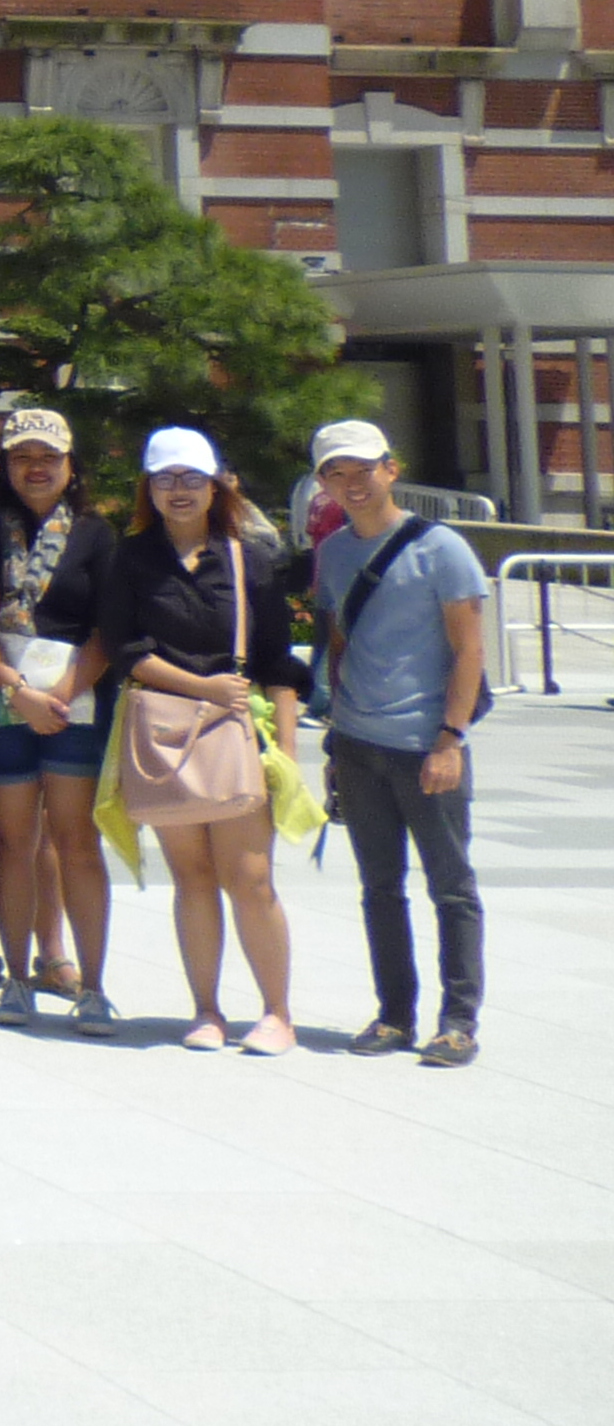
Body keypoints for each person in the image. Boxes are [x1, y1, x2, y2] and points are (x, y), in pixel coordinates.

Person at [100, 426, 303, 1054]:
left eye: (191, 477)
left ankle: (277, 1013)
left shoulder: (251, 559)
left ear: (216, 484)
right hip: (163, 732)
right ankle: (206, 1009)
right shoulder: (129, 558)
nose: (179, 490)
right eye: (165, 478)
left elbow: (278, 661)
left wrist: (288, 756)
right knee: (190, 877)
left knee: (250, 877)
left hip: (236, 733)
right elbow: (126, 650)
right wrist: (202, 685)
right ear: (148, 488)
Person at [308, 418, 487, 1068]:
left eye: (363, 468)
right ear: (323, 482)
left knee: (451, 885)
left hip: (426, 745)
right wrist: (333, 742)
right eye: (336, 472)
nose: (352, 483)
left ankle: (459, 1020)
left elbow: (469, 649)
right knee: (379, 886)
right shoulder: (331, 554)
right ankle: (394, 1014)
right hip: (358, 744)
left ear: (391, 467)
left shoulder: (443, 549)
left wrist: (450, 738)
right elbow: (338, 648)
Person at [0, 405, 119, 1032]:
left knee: (77, 841)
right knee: (12, 843)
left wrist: (61, 690)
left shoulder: (97, 533)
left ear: (70, 465)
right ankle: (18, 978)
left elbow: (111, 628)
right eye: (22, 456)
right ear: (4, 463)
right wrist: (13, 686)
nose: (35, 468)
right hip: (1, 697)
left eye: (48, 457)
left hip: (75, 700)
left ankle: (92, 984)